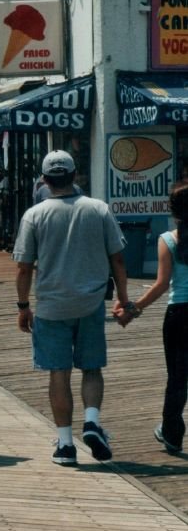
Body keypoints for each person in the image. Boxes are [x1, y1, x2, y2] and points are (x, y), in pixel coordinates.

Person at [13, 150, 129, 466]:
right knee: (91, 368)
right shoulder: (98, 209)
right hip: (90, 303)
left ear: (45, 180)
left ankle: (65, 445)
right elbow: (117, 258)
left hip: (51, 307)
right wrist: (124, 298)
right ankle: (91, 421)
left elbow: (24, 267)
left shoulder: (34, 215)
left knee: (59, 373)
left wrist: (23, 306)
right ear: (75, 176)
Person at [114, 183, 188, 453]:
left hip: (179, 314)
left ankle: (172, 433)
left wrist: (132, 310)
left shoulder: (168, 240)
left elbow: (161, 284)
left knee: (178, 377)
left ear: (173, 211)